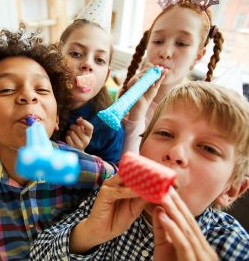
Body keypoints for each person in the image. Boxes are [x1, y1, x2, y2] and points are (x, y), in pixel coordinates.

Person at [30, 81, 249, 260]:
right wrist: (88, 233)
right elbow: (38, 254)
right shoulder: (111, 196)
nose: (176, 153)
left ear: (231, 189)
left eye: (208, 148)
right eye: (165, 134)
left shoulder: (232, 246)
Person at [0, 27, 116, 260]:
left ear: (56, 120)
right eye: (7, 89)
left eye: (41, 90)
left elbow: (122, 191)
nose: (28, 96)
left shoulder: (87, 171)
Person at [121, 0, 224, 154]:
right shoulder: (128, 98)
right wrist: (136, 114)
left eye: (181, 43)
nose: (165, 52)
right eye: (158, 41)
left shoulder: (196, 113)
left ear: (197, 57)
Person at [57, 0, 125, 165]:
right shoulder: (38, 102)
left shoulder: (109, 128)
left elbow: (111, 182)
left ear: (107, 76)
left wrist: (82, 157)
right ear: (56, 57)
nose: (88, 64)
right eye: (76, 53)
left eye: (99, 60)